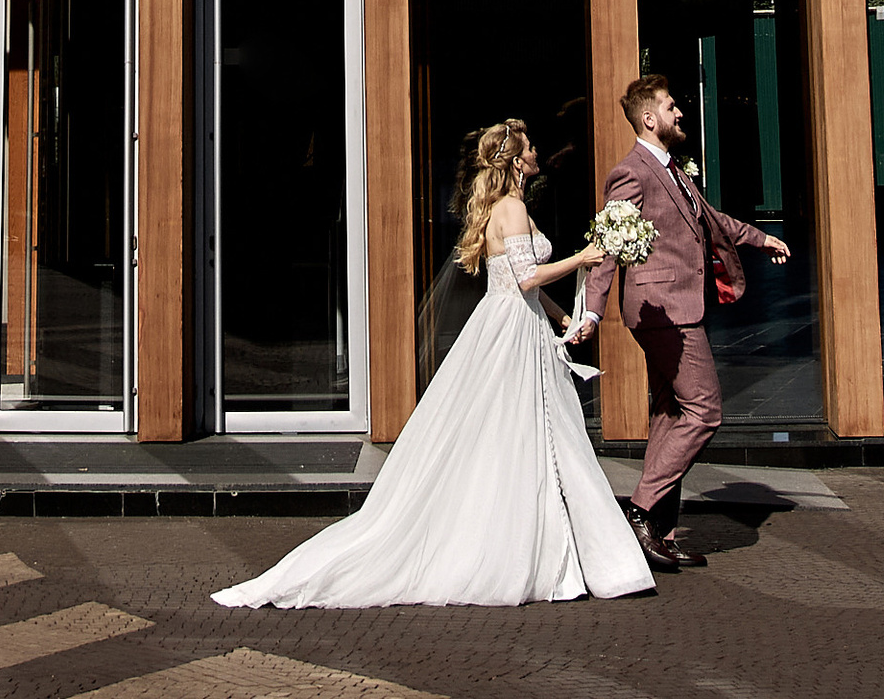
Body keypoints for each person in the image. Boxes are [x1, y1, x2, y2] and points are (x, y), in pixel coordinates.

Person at [214, 119, 654, 607]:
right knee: (515, 430)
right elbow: (527, 278)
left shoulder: (510, 206)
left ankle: (553, 545)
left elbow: (517, 281)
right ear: (516, 161)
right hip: (510, 332)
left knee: (530, 433)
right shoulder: (510, 208)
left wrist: (563, 316)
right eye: (530, 148)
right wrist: (582, 258)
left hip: (519, 323)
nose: (537, 153)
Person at [573, 73, 791, 574]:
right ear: (649, 118)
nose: (680, 113)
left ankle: (659, 535)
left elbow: (712, 220)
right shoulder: (631, 173)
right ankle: (639, 509)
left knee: (670, 415)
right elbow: (610, 242)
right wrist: (591, 309)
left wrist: (761, 239)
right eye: (671, 107)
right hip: (662, 311)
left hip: (679, 307)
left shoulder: (674, 170)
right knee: (705, 410)